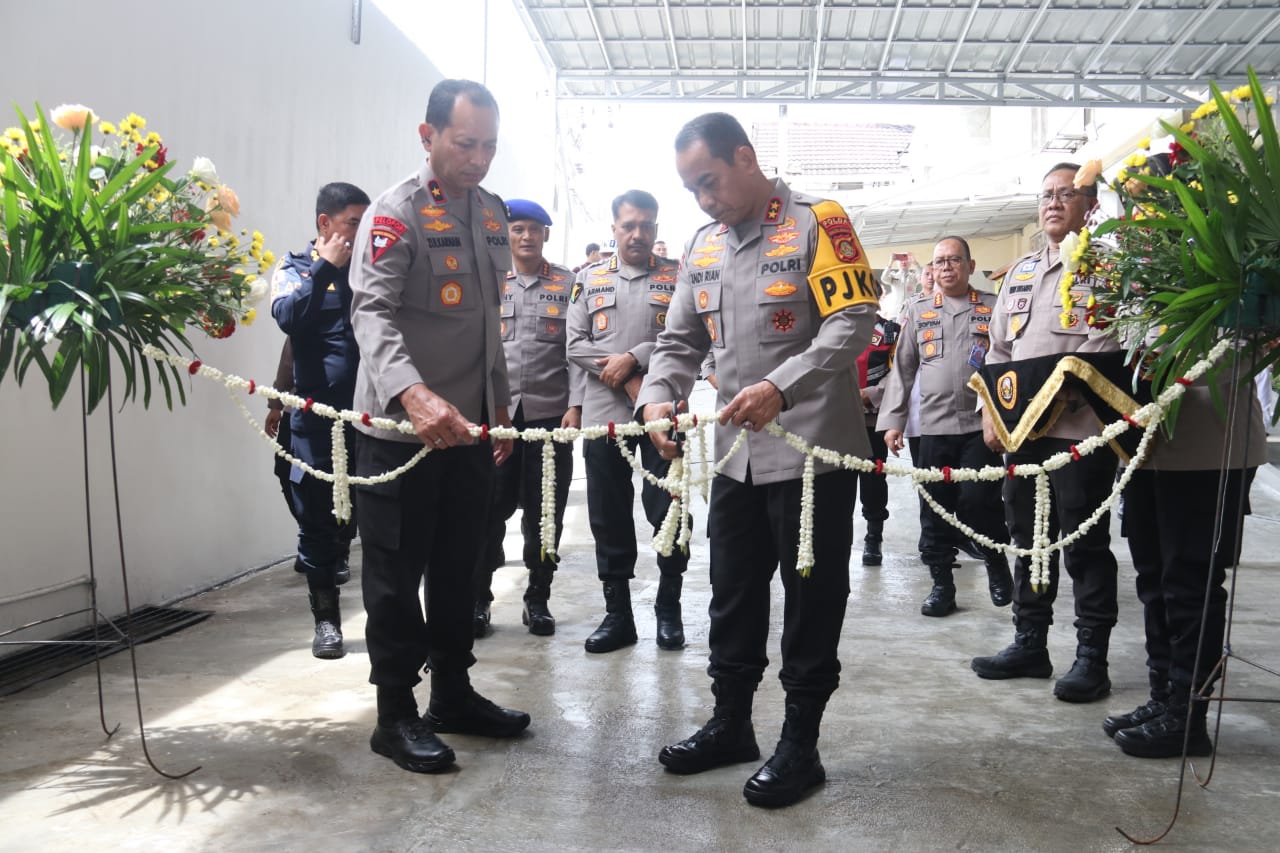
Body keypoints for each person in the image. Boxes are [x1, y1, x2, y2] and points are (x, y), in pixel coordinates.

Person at [639, 112, 877, 808]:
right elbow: (679, 341)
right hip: (736, 458)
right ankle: (731, 722)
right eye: (690, 189)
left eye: (708, 181)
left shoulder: (816, 222)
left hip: (814, 455)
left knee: (810, 599)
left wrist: (782, 385)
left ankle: (800, 741)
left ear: (745, 157)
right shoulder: (703, 246)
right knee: (734, 593)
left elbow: (852, 320)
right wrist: (658, 398)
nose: (703, 199)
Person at [349, 78, 530, 776]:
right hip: (400, 432)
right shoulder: (395, 213)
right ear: (428, 137)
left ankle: (451, 693)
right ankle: (394, 714)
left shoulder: (490, 212)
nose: (479, 158)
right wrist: (414, 396)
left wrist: (500, 409)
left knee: (462, 567)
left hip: (470, 431)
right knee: (395, 577)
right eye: (465, 143)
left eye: (488, 145)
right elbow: (372, 312)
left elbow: (490, 325)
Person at [971, 163, 1122, 703]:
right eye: (1046, 196)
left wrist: (1053, 405)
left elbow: (1106, 345)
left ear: (1090, 205)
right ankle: (1030, 641)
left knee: (1082, 542)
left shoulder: (1106, 269)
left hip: (1079, 432)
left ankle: (1091, 657)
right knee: (1027, 539)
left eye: (1066, 194)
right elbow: (998, 352)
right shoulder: (1021, 272)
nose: (1053, 204)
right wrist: (993, 412)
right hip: (1021, 436)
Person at [1105, 370, 1265, 757]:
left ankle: (1187, 715)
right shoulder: (1125, 305)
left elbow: (1243, 351)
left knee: (1190, 584)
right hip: (1145, 449)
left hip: (1209, 448)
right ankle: (1163, 697)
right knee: (1153, 580)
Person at [566, 189, 687, 653]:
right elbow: (574, 344)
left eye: (647, 226)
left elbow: (687, 338)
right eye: (629, 226)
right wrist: (619, 374)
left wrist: (634, 358)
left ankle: (668, 610)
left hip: (664, 414)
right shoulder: (590, 278)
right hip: (605, 418)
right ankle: (618, 616)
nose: (638, 234)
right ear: (613, 228)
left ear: (656, 228)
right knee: (609, 515)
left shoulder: (679, 278)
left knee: (668, 510)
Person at [877, 236, 1012, 616]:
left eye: (955, 260)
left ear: (970, 266)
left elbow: (1007, 361)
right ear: (932, 270)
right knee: (934, 508)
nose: (947, 267)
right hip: (932, 428)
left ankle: (996, 561)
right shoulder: (919, 310)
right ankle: (942, 586)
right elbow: (902, 369)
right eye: (940, 262)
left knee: (979, 500)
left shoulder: (991, 305)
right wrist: (893, 421)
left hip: (979, 423)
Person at [270, 182, 370, 659]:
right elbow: (289, 318)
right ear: (324, 224)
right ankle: (327, 623)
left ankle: (386, 619)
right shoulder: (292, 270)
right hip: (315, 421)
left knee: (381, 521)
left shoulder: (373, 271)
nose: (362, 231)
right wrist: (325, 266)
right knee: (315, 522)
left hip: (373, 418)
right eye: (354, 222)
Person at [473, 198, 581, 638]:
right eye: (517, 229)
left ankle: (537, 599)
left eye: (534, 229)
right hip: (498, 419)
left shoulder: (568, 284)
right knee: (485, 512)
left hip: (550, 418)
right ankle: (479, 600)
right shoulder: (489, 280)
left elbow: (577, 352)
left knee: (545, 515)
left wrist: (576, 407)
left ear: (546, 235)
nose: (526, 236)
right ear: (506, 234)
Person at [854, 285, 898, 567]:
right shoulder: (826, 329)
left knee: (872, 480)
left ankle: (873, 537)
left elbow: (899, 374)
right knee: (834, 481)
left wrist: (869, 394)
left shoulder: (891, 332)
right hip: (833, 420)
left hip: (872, 419)